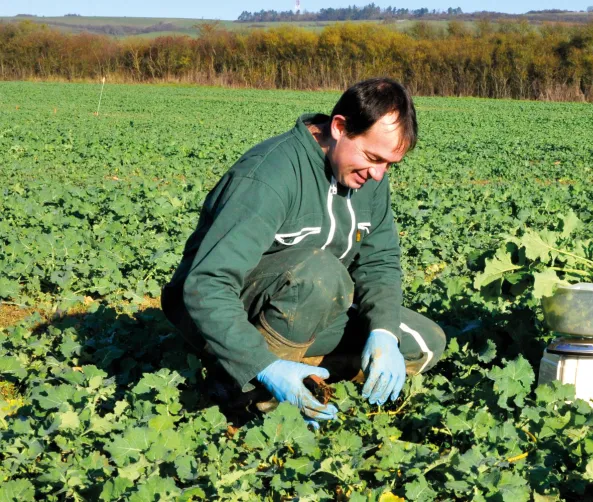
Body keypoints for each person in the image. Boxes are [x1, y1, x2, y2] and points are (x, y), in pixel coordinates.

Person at [161, 77, 446, 429]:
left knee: (423, 342)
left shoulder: (370, 177)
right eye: (373, 158)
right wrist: (265, 365)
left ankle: (301, 376)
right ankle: (247, 392)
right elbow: (207, 284)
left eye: (389, 164)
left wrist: (384, 334)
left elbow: (379, 261)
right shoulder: (269, 175)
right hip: (223, 312)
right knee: (321, 273)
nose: (378, 174)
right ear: (339, 127)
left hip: (308, 305)